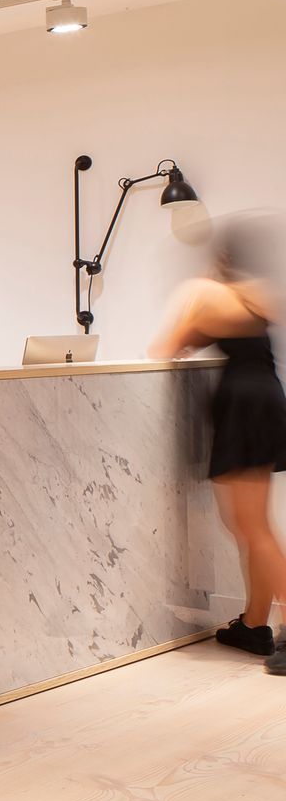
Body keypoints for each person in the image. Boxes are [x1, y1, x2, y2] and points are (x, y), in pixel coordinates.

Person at [149, 215, 286, 674]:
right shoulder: (254, 297)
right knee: (252, 525)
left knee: (251, 528)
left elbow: (166, 347)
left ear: (223, 257)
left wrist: (197, 294)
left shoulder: (206, 293)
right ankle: (254, 625)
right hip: (265, 398)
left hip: (243, 406)